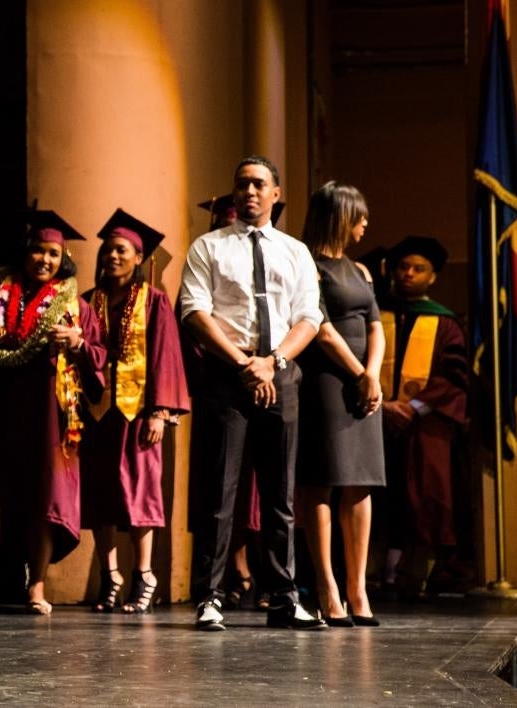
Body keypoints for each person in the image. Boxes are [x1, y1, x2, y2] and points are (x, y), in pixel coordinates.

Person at [177, 156, 325, 631]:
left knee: (280, 494)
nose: (249, 192)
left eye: (259, 184)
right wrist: (243, 363)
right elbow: (194, 312)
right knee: (220, 491)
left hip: (279, 373)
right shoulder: (208, 247)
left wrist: (273, 361)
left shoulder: (295, 251)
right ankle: (210, 596)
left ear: (276, 193)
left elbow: (309, 317)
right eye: (241, 184)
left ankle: (284, 596)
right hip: (229, 373)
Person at [0, 210, 107, 615]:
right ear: (26, 252)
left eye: (52, 254)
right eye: (37, 251)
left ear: (62, 258)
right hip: (2, 405)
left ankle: (37, 586)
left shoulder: (73, 304)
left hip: (50, 412)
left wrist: (78, 343)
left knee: (43, 498)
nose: (44, 260)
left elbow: (100, 356)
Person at [79, 209, 189, 614]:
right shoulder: (91, 301)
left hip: (138, 413)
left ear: (139, 258)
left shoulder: (154, 301)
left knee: (141, 494)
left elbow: (165, 355)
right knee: (101, 495)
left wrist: (160, 411)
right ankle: (111, 577)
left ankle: (144, 575)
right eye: (107, 249)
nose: (112, 256)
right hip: (97, 411)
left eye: (121, 250)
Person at [296, 182, 386, 627]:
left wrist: (374, 372)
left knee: (360, 482)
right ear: (340, 216)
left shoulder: (362, 271)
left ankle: (358, 588)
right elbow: (322, 329)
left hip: (364, 383)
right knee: (321, 480)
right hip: (327, 380)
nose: (366, 224)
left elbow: (376, 326)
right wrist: (359, 373)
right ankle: (327, 586)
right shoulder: (306, 265)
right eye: (360, 216)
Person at [376, 235, 468, 598]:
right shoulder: (376, 313)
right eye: (403, 267)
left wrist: (412, 407)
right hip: (375, 418)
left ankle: (414, 576)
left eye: (419, 269)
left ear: (433, 277)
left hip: (424, 425)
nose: (409, 274)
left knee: (423, 498)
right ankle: (373, 574)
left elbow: (454, 377)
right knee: (378, 497)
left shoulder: (445, 323)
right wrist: (385, 405)